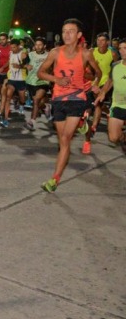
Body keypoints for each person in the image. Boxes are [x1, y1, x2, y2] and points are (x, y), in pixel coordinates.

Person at [37, 19, 102, 192]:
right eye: (64, 31)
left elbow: (99, 72)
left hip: (77, 98)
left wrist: (95, 84)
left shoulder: (86, 54)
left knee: (65, 139)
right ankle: (82, 124)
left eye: (71, 31)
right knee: (62, 140)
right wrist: (56, 79)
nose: (66, 34)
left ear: (79, 35)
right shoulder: (55, 53)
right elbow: (40, 72)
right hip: (58, 99)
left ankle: (54, 180)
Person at [84, 32, 119, 153]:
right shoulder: (92, 52)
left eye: (103, 40)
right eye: (98, 40)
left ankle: (93, 128)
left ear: (107, 42)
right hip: (92, 82)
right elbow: (85, 68)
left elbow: (117, 69)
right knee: (94, 106)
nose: (100, 43)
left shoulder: (113, 53)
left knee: (98, 103)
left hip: (106, 83)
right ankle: (108, 113)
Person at [95, 38, 126, 153]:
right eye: (120, 49)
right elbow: (110, 81)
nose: (122, 51)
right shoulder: (115, 65)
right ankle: (124, 138)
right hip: (117, 105)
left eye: (125, 48)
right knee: (113, 138)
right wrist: (102, 93)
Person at [0, 39, 28, 128]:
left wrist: (19, 66)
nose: (12, 49)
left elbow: (28, 66)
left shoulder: (23, 54)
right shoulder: (11, 53)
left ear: (19, 46)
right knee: (8, 97)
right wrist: (3, 67)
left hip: (21, 80)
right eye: (11, 47)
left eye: (14, 47)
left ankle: (21, 104)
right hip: (11, 79)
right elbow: (9, 62)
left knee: (22, 99)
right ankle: (6, 119)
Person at [24, 36, 51, 130]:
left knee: (36, 100)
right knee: (37, 102)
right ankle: (45, 107)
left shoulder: (49, 55)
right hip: (31, 81)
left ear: (44, 46)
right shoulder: (30, 54)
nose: (38, 46)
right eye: (36, 44)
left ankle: (32, 121)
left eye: (40, 45)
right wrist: (26, 65)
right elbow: (24, 63)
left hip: (43, 81)